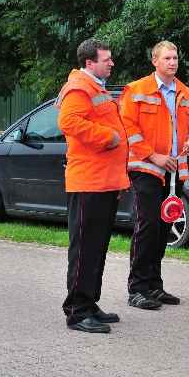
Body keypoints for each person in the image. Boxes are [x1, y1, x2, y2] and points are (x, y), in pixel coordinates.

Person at [56, 38, 129, 334]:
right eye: (106, 59)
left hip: (104, 181)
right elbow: (68, 122)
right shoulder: (79, 88)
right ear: (89, 62)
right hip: (88, 182)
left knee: (97, 248)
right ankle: (77, 311)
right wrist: (107, 137)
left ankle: (89, 302)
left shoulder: (96, 87)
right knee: (85, 249)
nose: (111, 63)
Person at [120, 40, 189, 310]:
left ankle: (154, 285)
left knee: (163, 227)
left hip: (175, 172)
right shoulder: (137, 90)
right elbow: (127, 128)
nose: (172, 62)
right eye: (167, 58)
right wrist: (153, 155)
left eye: (175, 58)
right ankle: (137, 288)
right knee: (147, 226)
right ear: (155, 61)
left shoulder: (186, 93)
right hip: (147, 169)